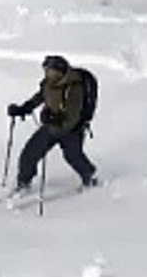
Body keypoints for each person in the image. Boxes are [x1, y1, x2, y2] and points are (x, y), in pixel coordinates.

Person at [7, 55, 98, 193]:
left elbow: (73, 116)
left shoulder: (74, 87)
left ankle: (89, 176)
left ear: (60, 71)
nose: (47, 73)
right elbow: (40, 97)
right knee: (29, 154)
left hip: (73, 130)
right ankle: (23, 183)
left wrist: (56, 121)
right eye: (45, 70)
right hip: (52, 126)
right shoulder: (48, 84)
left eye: (50, 70)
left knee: (73, 156)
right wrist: (24, 108)